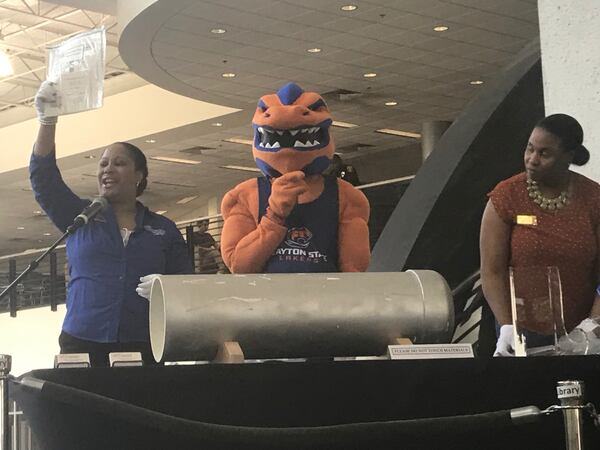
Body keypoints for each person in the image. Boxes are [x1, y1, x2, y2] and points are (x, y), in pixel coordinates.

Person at [31, 80, 193, 366]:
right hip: (82, 338)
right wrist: (47, 120)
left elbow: (187, 286)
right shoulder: (80, 217)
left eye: (118, 163)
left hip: (144, 340)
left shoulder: (164, 230)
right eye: (103, 164)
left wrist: (166, 288)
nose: (107, 169)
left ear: (139, 175)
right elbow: (44, 179)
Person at [480, 113, 600, 356]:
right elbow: (492, 271)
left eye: (545, 153)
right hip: (520, 331)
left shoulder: (593, 198)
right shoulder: (507, 195)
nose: (532, 159)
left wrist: (593, 326)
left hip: (581, 334)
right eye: (530, 149)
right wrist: (506, 326)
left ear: (569, 156)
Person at [220, 82, 370, 274]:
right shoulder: (245, 196)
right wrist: (274, 216)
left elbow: (354, 270)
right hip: (265, 301)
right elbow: (239, 266)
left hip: (324, 300)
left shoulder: (347, 197)